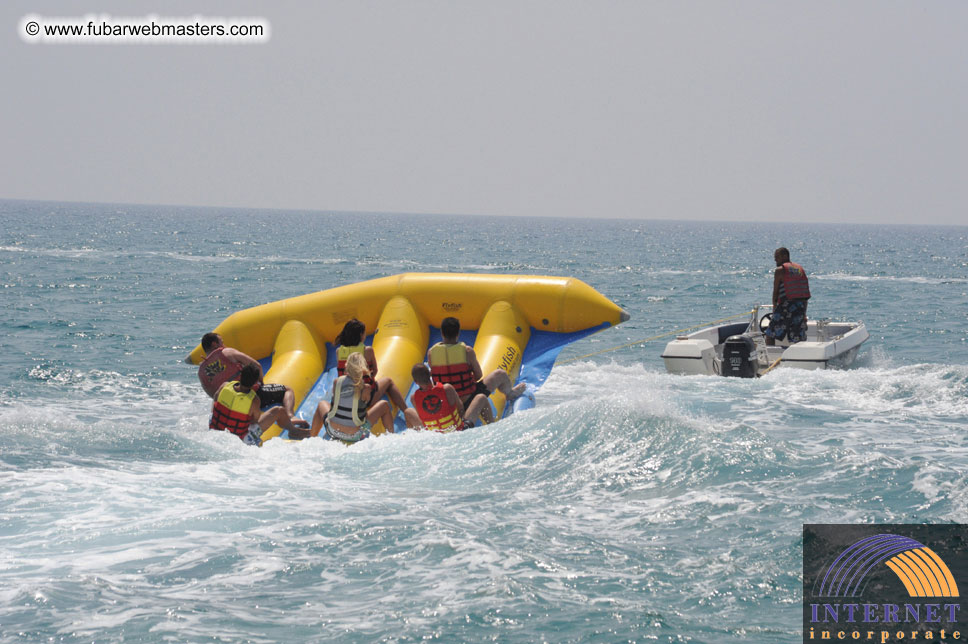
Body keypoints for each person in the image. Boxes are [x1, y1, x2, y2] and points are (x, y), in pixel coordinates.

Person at [426, 317, 526, 423]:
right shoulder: (467, 351)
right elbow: (478, 375)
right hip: (469, 400)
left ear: (441, 332)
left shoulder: (431, 353)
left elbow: (434, 379)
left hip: (448, 402)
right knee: (500, 374)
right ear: (458, 332)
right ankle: (509, 393)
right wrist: (465, 380)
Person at [197, 332, 304, 422]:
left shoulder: (201, 372)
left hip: (230, 407)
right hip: (252, 396)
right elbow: (257, 366)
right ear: (214, 344)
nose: (223, 345)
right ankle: (291, 416)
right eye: (222, 341)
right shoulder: (227, 352)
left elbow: (213, 394)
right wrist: (262, 383)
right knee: (287, 389)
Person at [310, 353, 415, 443]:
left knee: (322, 404)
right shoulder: (365, 388)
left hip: (332, 430)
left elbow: (337, 400)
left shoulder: (337, 381)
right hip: (355, 435)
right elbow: (366, 404)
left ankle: (312, 438)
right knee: (384, 405)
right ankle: (391, 435)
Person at [209, 364, 311, 445]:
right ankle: (293, 430)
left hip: (215, 429)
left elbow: (215, 399)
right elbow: (254, 421)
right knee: (278, 410)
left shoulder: (225, 385)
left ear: (240, 376)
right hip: (242, 440)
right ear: (254, 383)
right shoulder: (254, 400)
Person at [333, 319, 416, 418]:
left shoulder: (339, 351)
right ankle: (407, 411)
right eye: (364, 333)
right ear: (360, 335)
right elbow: (375, 371)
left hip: (347, 398)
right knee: (388, 381)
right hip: (366, 397)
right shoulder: (367, 350)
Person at [410, 363, 491, 431]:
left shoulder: (413, 398)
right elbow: (461, 409)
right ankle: (492, 425)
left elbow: (423, 416)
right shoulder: (447, 389)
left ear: (416, 382)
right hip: (458, 431)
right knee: (481, 397)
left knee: (408, 412)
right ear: (430, 373)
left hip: (435, 436)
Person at [765, 247, 811, 346]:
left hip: (786, 307)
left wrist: (774, 309)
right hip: (800, 307)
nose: (775, 260)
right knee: (797, 338)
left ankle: (769, 354)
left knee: (770, 334)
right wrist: (804, 314)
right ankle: (799, 358)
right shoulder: (800, 269)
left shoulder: (780, 270)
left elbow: (775, 292)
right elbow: (804, 295)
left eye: (777, 257)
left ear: (785, 256)